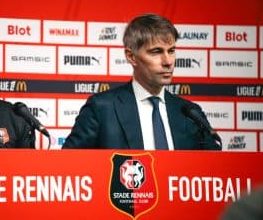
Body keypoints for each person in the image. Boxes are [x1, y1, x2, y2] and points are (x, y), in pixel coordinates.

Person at [62, 13, 221, 150]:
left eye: (171, 51)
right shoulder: (101, 109)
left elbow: (214, 171)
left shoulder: (191, 113)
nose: (168, 61)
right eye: (156, 52)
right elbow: (71, 167)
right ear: (132, 57)